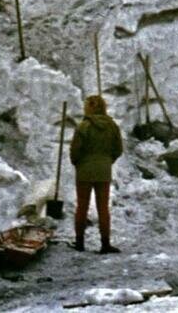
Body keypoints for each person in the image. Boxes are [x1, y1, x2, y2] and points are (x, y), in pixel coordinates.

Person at [69, 95, 123, 253]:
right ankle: (105, 243)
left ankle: (79, 243)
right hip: (104, 171)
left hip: (84, 171)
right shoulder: (112, 126)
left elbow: (75, 151)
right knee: (103, 208)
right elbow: (118, 149)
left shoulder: (83, 127)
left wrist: (78, 162)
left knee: (82, 206)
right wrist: (107, 160)